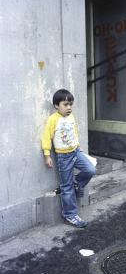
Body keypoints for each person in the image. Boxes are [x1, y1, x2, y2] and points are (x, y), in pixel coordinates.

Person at [41, 89, 96, 228]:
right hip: (63, 157)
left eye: (70, 104)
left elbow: (75, 132)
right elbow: (46, 137)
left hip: (75, 152)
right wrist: (47, 155)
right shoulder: (53, 119)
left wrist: (78, 147)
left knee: (90, 169)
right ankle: (70, 215)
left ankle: (78, 183)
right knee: (66, 187)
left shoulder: (71, 117)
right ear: (56, 105)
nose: (69, 107)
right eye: (65, 104)